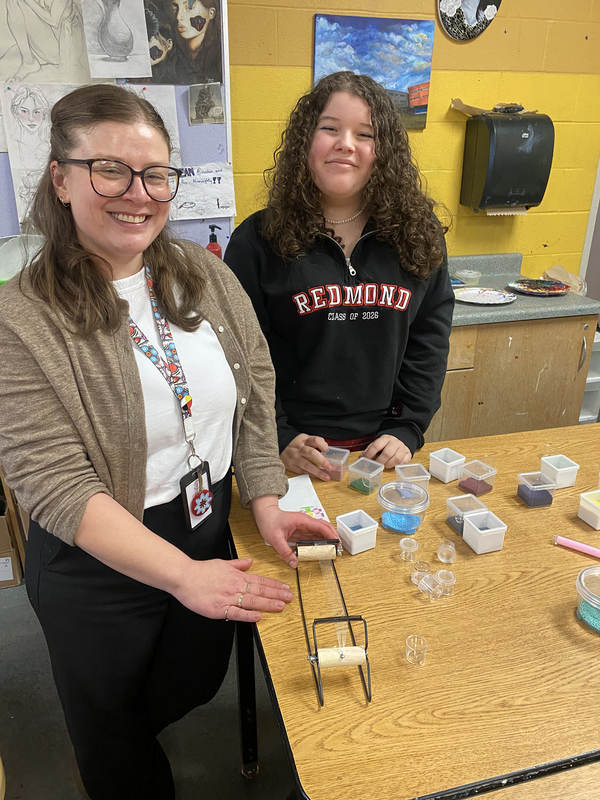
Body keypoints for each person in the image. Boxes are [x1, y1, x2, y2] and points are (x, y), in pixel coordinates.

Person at [0, 84, 333, 800]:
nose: (138, 193)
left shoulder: (203, 275)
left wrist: (267, 499)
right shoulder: (17, 318)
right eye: (110, 169)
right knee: (115, 739)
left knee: (193, 677)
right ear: (61, 177)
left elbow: (255, 392)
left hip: (205, 524)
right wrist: (183, 577)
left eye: (155, 174)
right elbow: (56, 485)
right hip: (99, 565)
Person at [224, 71, 454, 483]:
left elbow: (429, 342)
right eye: (329, 128)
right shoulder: (257, 241)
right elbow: (240, 355)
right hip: (291, 455)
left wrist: (409, 426)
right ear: (304, 143)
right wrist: (278, 434)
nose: (345, 144)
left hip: (383, 455)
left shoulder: (417, 235)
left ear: (382, 152)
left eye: (364, 134)